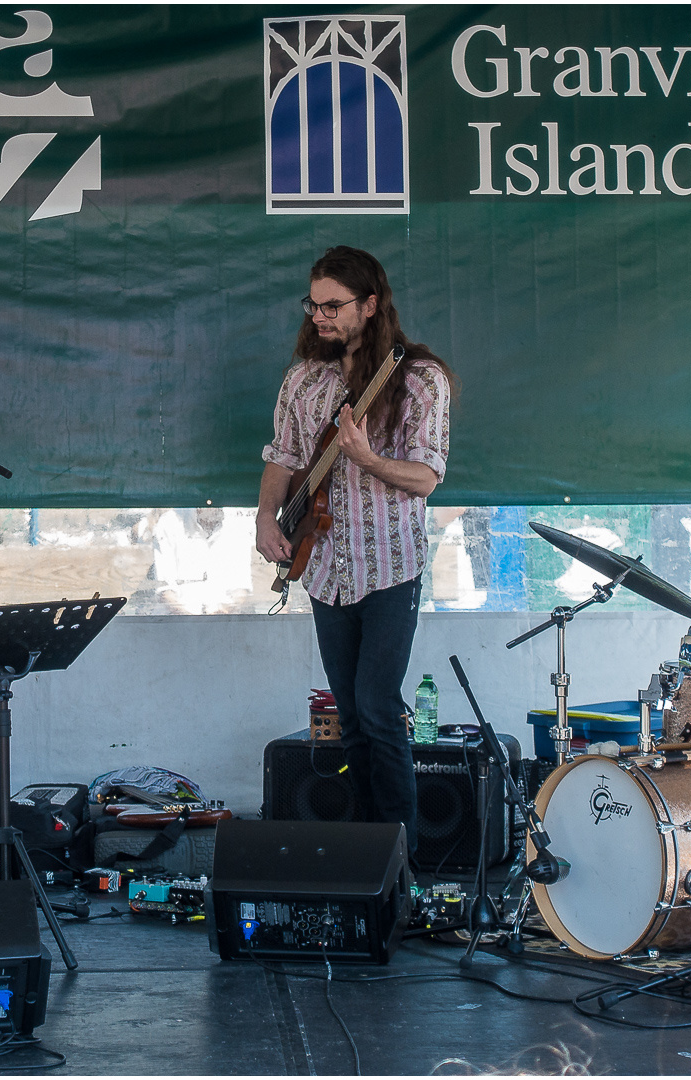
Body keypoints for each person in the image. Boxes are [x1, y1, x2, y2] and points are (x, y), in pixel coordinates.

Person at [255, 246, 454, 863]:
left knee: (377, 706)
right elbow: (283, 458)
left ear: (370, 305)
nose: (320, 316)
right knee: (350, 715)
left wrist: (366, 460)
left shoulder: (419, 378)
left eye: (333, 305)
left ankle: (403, 857)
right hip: (322, 567)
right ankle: (364, 851)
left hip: (389, 566)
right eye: (313, 305)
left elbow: (426, 478)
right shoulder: (303, 380)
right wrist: (266, 516)